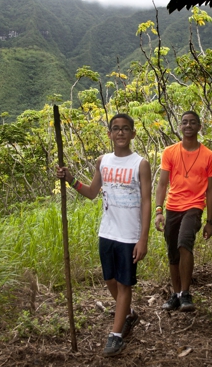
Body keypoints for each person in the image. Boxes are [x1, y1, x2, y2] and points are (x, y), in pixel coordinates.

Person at [56, 114, 151, 357]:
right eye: (116, 129)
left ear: (133, 134)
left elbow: (147, 202)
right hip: (107, 232)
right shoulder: (103, 161)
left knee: (124, 283)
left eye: (125, 129)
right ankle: (128, 315)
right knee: (109, 279)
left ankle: (116, 335)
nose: (120, 133)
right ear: (109, 134)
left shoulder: (140, 163)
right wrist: (70, 180)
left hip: (129, 235)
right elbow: (91, 192)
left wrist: (143, 239)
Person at [155, 111, 212, 312]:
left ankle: (185, 293)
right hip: (172, 206)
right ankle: (175, 294)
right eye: (184, 122)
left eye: (192, 122)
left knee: (184, 243)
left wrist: (209, 220)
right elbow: (162, 183)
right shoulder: (170, 152)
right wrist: (158, 211)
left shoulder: (209, 155)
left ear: (199, 127)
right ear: (180, 127)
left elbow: (211, 189)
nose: (188, 125)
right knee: (173, 251)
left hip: (195, 206)